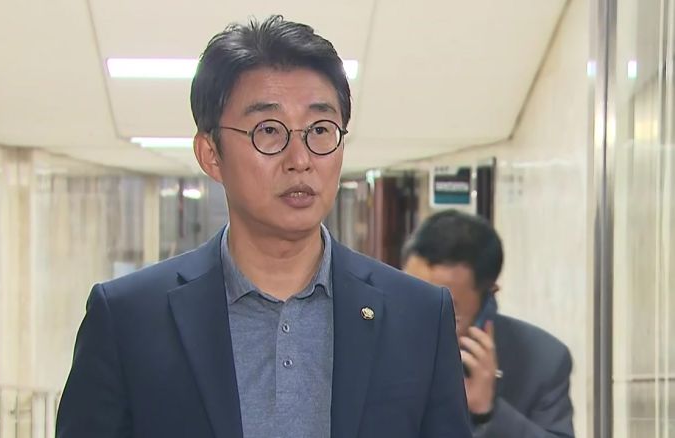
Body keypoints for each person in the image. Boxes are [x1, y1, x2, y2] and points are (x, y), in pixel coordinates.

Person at [56, 15, 471, 438]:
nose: (300, 159)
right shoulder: (128, 318)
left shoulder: (419, 316)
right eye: (268, 130)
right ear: (210, 154)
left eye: (320, 130)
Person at [402, 209, 574, 437]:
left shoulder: (543, 361)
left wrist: (488, 413)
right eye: (408, 296)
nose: (417, 320)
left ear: (487, 302)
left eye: (443, 309)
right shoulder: (369, 342)